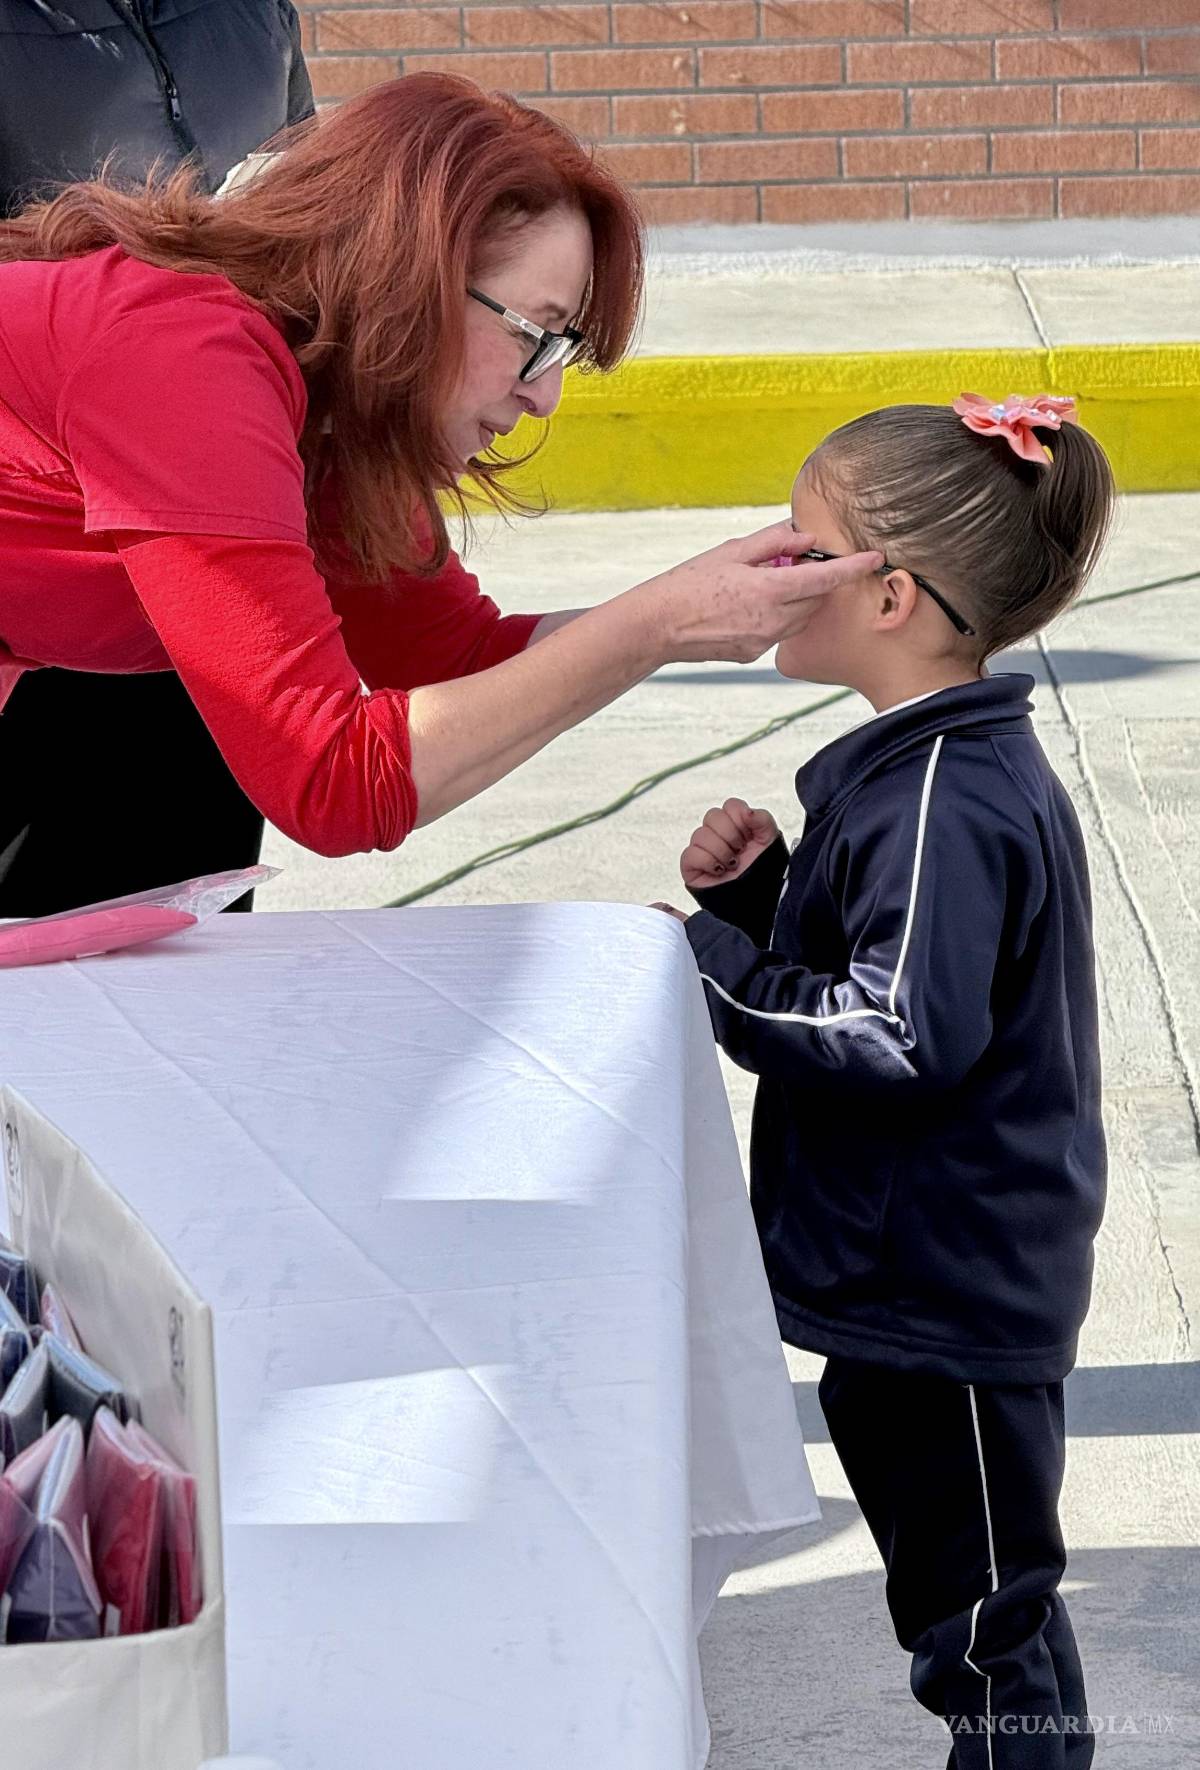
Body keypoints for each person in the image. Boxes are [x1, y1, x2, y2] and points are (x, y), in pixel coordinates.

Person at [0, 73, 878, 916]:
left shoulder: (335, 421)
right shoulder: (190, 363)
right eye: (536, 336)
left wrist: (689, 601)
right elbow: (331, 781)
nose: (546, 396)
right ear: (405, 275)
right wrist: (659, 623)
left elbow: (456, 658)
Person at [656, 394, 1114, 1764]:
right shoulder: (924, 772)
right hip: (918, 1278)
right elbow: (906, 970)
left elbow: (900, 1033)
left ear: (893, 596)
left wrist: (707, 970)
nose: (772, 565)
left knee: (985, 1625)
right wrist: (760, 900)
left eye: (804, 547)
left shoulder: (942, 797)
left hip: (947, 1285)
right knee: (967, 1604)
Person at [0, 0, 315, 910]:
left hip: (222, 534)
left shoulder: (249, 12)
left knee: (192, 918)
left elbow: (299, 206)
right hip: (46, 554)